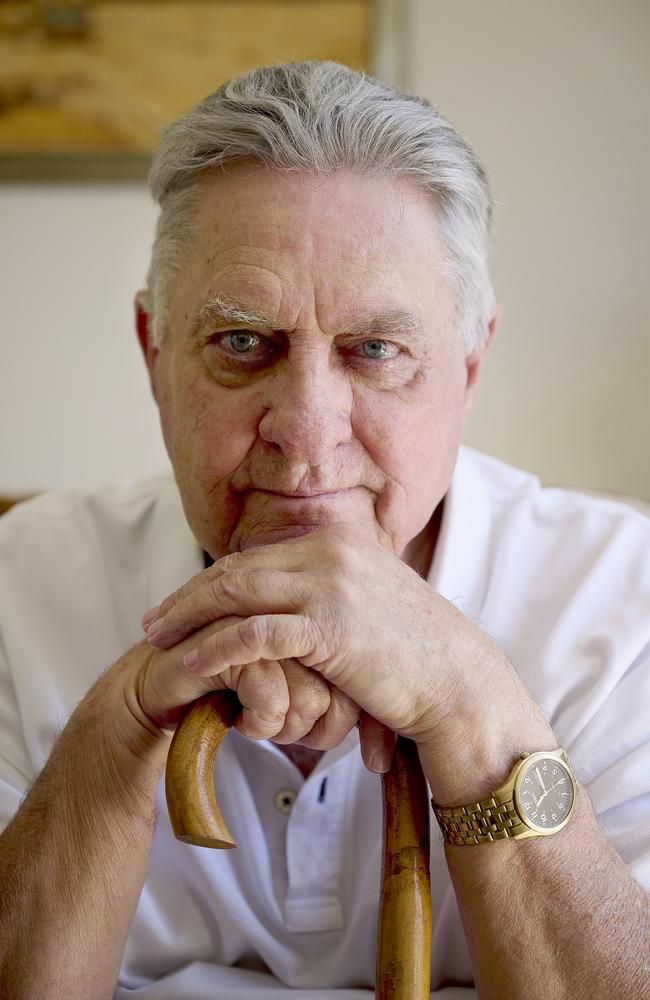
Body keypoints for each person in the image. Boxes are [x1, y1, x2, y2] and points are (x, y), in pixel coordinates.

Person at [0, 61, 648, 1000]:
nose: (306, 430)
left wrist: (475, 708)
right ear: (153, 354)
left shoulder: (620, 603)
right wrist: (119, 727)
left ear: (469, 366)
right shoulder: (20, 586)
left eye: (375, 350)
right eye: (240, 344)